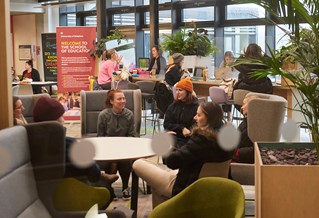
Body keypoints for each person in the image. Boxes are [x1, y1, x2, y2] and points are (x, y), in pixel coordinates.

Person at [133, 101, 234, 208]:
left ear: (209, 118)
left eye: (199, 115)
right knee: (157, 185)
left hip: (187, 186)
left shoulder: (201, 140)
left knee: (138, 163)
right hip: (216, 186)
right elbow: (189, 155)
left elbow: (171, 162)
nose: (195, 118)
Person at [32, 96, 119, 187]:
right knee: (107, 190)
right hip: (73, 187)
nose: (64, 120)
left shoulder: (32, 139)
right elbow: (91, 170)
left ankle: (103, 177)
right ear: (53, 121)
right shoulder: (65, 143)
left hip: (45, 187)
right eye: (61, 116)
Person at [97, 89, 138, 200]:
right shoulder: (103, 115)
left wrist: (125, 146)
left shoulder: (129, 114)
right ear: (111, 101)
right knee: (112, 160)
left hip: (124, 147)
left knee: (124, 160)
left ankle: (125, 187)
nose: (123, 101)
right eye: (119, 99)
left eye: (124, 98)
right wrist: (111, 146)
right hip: (108, 147)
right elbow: (100, 137)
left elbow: (132, 134)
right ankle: (109, 188)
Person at [164, 77, 199, 149]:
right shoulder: (173, 106)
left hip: (189, 138)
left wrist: (186, 131)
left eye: (180, 90)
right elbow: (166, 124)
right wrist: (181, 128)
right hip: (175, 135)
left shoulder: (196, 107)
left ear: (187, 92)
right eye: (176, 90)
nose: (177, 92)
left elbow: (195, 127)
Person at [232, 94, 257, 164]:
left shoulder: (255, 126)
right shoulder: (246, 121)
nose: (242, 107)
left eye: (244, 104)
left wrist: (236, 153)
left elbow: (256, 149)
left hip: (241, 158)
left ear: (252, 106)